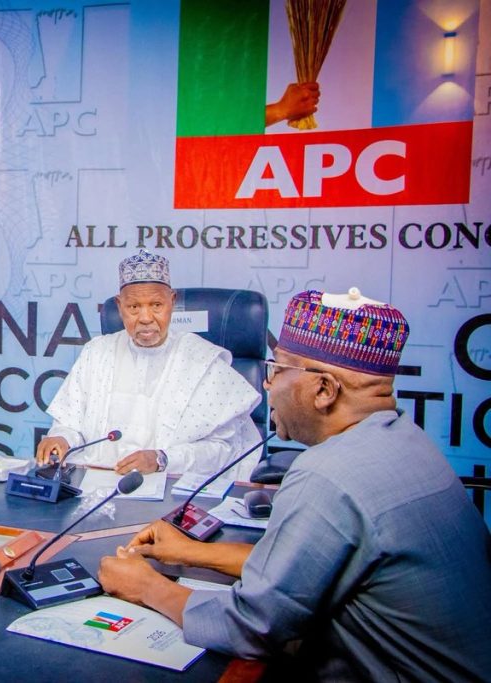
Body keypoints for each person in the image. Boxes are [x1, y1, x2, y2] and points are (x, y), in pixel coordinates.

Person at [98, 288, 491, 680]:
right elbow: (305, 568)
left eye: (278, 369)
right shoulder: (406, 439)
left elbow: (251, 627)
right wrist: (193, 552)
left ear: (323, 390)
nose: (268, 385)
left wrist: (146, 587)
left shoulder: (328, 475)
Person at [36, 251, 261, 480]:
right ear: (119, 306)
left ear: (172, 301)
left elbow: (223, 448)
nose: (145, 318)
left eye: (156, 305)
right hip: (95, 482)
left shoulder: (203, 360)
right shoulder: (96, 353)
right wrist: (61, 438)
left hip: (172, 485)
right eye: (134, 307)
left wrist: (162, 459)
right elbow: (70, 424)